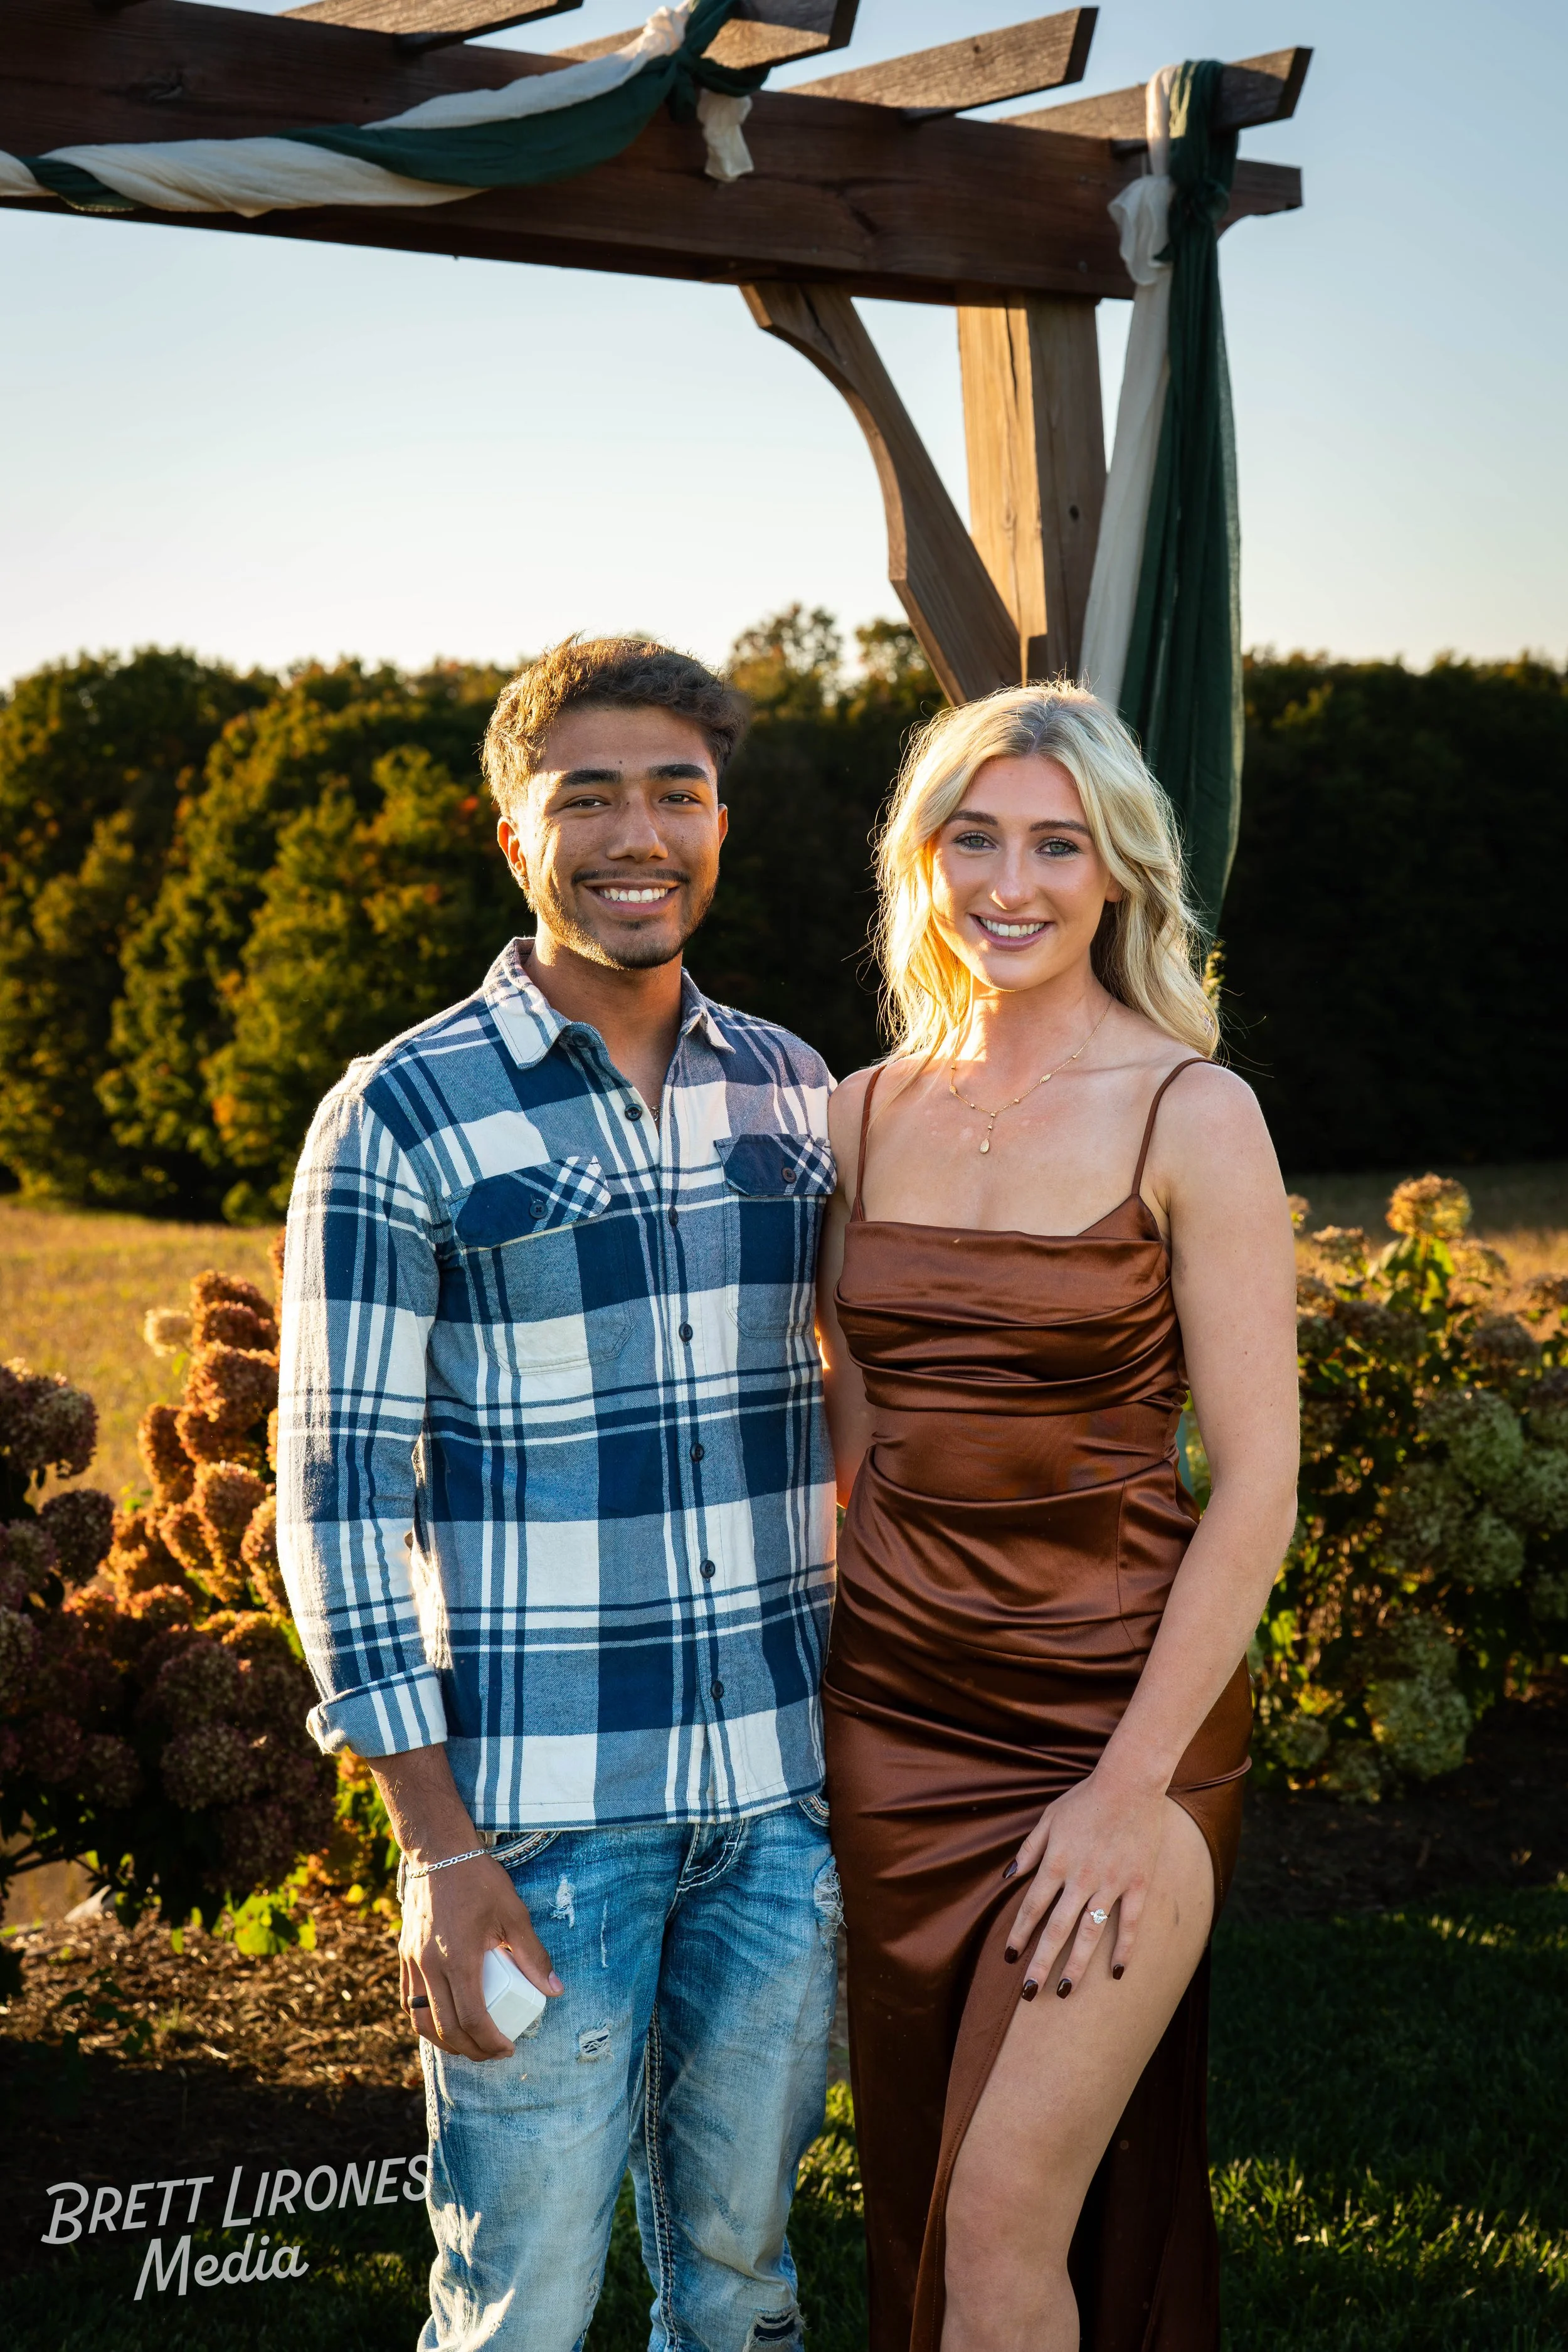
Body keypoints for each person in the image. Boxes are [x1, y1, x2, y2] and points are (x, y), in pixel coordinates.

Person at [277, 636, 841, 2352]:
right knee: (521, 2301)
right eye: (583, 794)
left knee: (741, 2283)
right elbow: (336, 1489)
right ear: (509, 835)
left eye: (676, 792)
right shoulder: (401, 1109)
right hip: (534, 1826)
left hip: (783, 1812)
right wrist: (436, 1845)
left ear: (722, 825)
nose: (636, 832)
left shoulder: (797, 1091)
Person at [814, 684, 1300, 2352]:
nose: (1006, 879)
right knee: (930, 2199)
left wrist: (1121, 1784)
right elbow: (848, 1427)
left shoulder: (1190, 1112)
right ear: (922, 857)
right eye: (973, 835)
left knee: (1011, 2208)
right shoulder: (856, 1113)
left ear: (1117, 877)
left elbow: (1256, 1482)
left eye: (1054, 842)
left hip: (1117, 1719)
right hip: (889, 1726)